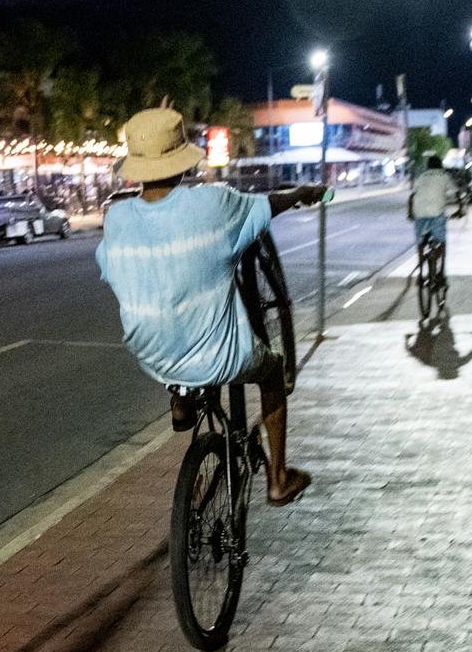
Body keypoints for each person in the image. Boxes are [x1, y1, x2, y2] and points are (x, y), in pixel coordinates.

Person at [95, 107, 324, 507]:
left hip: (150, 354)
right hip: (220, 357)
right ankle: (278, 479)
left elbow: (109, 269)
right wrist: (302, 194)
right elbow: (268, 205)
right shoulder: (214, 204)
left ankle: (181, 401)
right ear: (181, 161)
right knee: (270, 372)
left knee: (170, 319)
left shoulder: (117, 217)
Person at [407, 155, 454, 288]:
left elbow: (411, 197)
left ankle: (421, 275)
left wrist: (410, 213)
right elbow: (456, 193)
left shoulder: (421, 177)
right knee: (442, 241)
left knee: (421, 243)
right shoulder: (444, 176)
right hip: (437, 213)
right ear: (440, 165)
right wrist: (460, 209)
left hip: (419, 213)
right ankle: (441, 274)